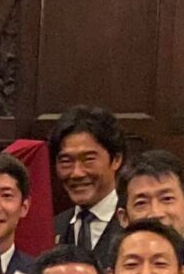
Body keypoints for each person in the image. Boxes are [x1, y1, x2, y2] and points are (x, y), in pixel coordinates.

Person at [50, 106, 129, 256]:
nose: (76, 173)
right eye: (66, 161)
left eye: (88, 159)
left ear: (116, 160)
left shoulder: (136, 223)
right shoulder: (52, 229)